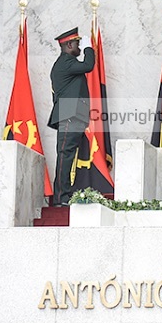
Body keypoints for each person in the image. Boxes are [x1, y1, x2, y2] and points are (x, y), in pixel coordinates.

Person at [47, 27, 95, 206]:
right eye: (77, 43)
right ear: (68, 45)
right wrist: (90, 48)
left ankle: (65, 195)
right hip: (69, 112)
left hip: (72, 112)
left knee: (69, 154)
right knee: (66, 154)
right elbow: (88, 66)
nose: (80, 47)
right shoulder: (65, 62)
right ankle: (61, 197)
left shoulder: (67, 63)